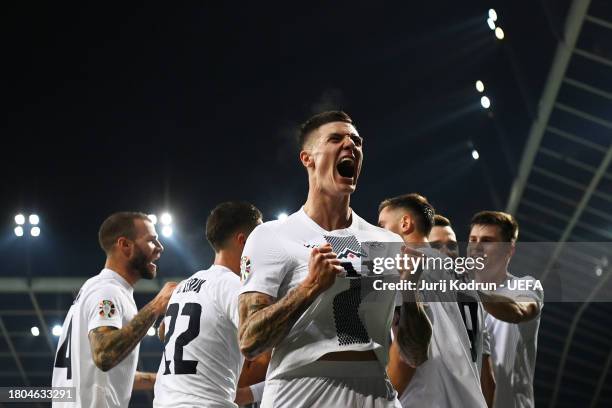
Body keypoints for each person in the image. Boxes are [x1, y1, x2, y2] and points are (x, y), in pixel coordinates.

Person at [237, 111, 428, 408]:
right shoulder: (272, 236)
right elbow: (249, 341)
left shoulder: (388, 242)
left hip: (375, 389)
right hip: (301, 390)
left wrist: (410, 292)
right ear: (307, 159)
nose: (350, 145)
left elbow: (415, 354)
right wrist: (309, 287)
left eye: (356, 140)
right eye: (336, 138)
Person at [52, 212, 177, 408]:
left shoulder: (99, 288)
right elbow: (104, 354)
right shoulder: (108, 291)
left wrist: (166, 380)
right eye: (152, 240)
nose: (160, 248)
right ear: (125, 245)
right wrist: (157, 305)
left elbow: (109, 374)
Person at [153, 201, 267, 407]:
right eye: (260, 239)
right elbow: (265, 349)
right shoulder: (235, 286)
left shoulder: (184, 286)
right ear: (243, 240)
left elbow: (163, 332)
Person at [378, 195, 487, 408]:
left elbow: (405, 356)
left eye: (382, 225)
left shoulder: (403, 267)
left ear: (405, 223)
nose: (378, 233)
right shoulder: (466, 284)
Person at [468, 211, 543, 408]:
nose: (476, 246)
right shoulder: (457, 295)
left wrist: (471, 290)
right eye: (472, 239)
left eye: (487, 240)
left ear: (509, 250)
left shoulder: (527, 286)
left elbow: (518, 312)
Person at [430, 214, 496, 407]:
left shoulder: (472, 301)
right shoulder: (405, 296)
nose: (446, 252)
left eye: (451, 246)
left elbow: (485, 371)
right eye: (435, 246)